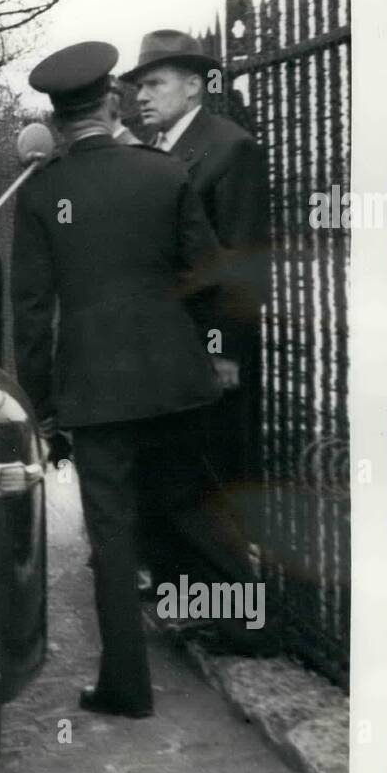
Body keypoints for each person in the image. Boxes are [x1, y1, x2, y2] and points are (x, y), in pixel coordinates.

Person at [11, 41, 226, 718]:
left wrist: (43, 410)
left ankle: (126, 687)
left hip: (95, 392)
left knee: (111, 537)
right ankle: (250, 622)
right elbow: (211, 274)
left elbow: (31, 312)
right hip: (174, 379)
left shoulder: (44, 191)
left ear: (55, 113)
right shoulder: (162, 173)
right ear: (111, 101)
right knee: (191, 503)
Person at [123, 30, 270, 491]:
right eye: (139, 87)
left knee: (210, 475)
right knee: (171, 474)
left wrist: (224, 348)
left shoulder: (231, 147)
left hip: (205, 348)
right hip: (162, 347)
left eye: (155, 85)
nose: (142, 97)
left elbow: (242, 255)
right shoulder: (156, 150)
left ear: (193, 87)